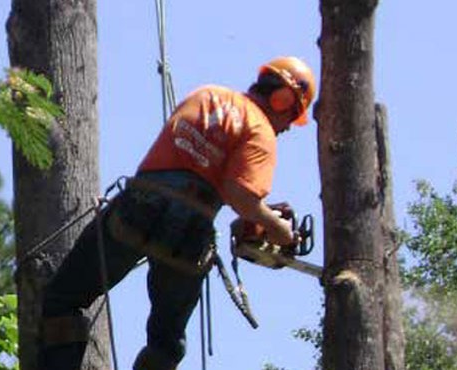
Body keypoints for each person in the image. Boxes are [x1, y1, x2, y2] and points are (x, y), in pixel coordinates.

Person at [37, 56, 317, 370]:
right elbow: (241, 194)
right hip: (189, 235)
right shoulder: (261, 131)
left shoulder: (207, 94)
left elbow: (199, 168)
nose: (287, 129)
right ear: (282, 100)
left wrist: (249, 215)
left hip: (139, 207)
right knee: (165, 345)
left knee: (63, 301)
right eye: (291, 118)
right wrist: (279, 230)